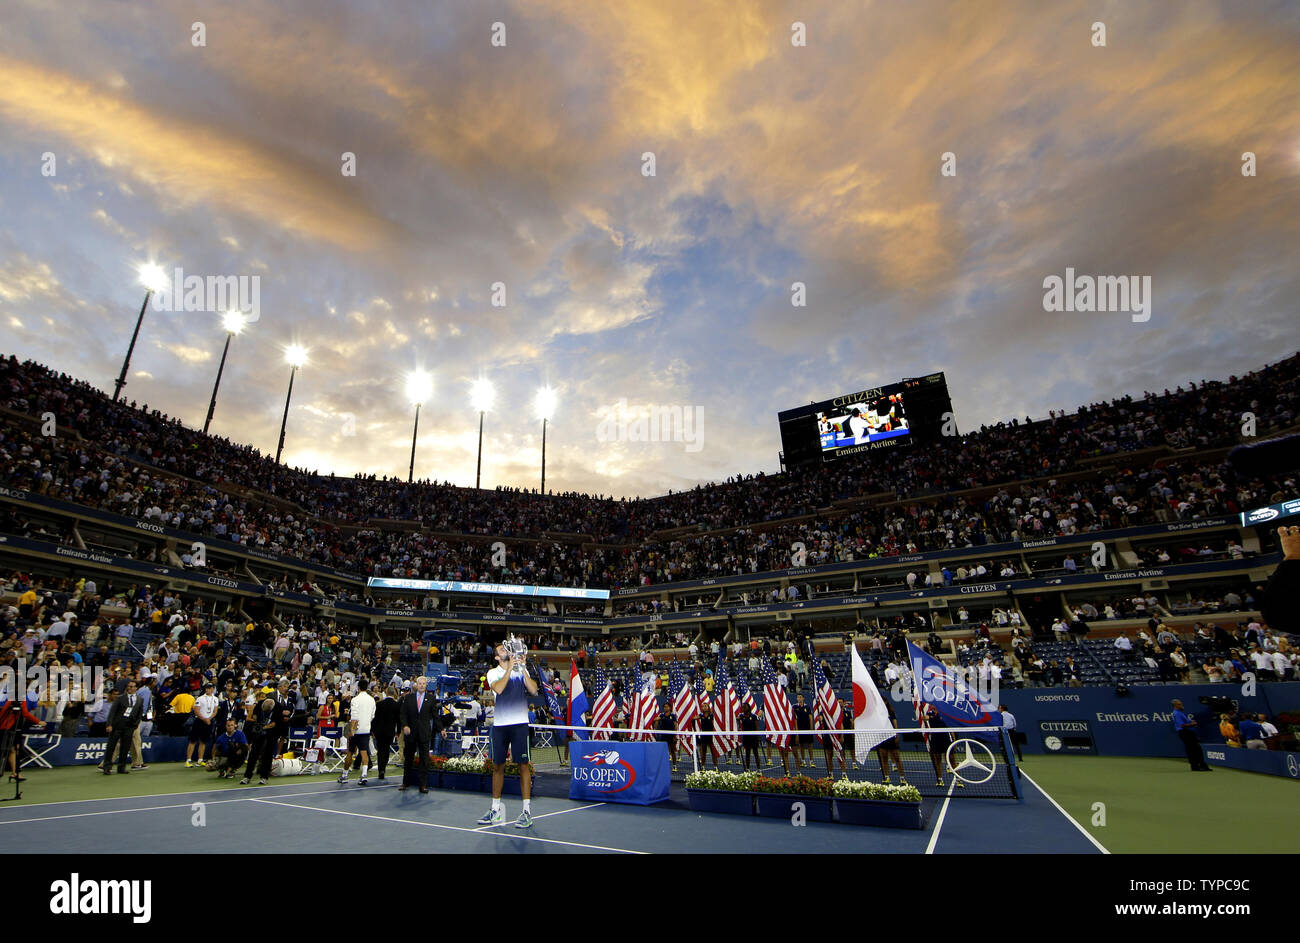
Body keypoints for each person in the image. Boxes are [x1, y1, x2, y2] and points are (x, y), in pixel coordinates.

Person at [477, 642, 538, 828]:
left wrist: (523, 668)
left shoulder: (520, 669)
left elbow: (534, 690)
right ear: (497, 657)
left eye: (506, 649)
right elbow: (499, 689)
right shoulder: (493, 673)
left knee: (523, 766)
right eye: (501, 650)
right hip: (501, 725)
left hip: (519, 724)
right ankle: (495, 810)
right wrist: (510, 668)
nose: (506, 651)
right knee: (497, 767)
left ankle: (526, 812)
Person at [399, 676, 438, 793]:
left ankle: (423, 785)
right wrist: (405, 726)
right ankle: (405, 782)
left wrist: (441, 729)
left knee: (424, 760)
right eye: (419, 683)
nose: (421, 685)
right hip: (411, 733)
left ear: (426, 685)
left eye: (423, 684)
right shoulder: (409, 698)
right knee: (408, 759)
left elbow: (435, 716)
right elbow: (403, 714)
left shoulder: (431, 698)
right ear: (416, 685)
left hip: (424, 734)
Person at [102, 679, 144, 775]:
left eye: (132, 686)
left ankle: (122, 767)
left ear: (136, 688)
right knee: (111, 747)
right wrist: (109, 724)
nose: (130, 688)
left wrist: (135, 725)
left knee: (125, 748)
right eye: (129, 686)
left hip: (129, 726)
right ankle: (107, 767)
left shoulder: (140, 699)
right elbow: (112, 712)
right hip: (117, 725)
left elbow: (139, 713)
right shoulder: (120, 698)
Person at [339, 677, 376, 785]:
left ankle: (344, 775)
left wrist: (351, 731)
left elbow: (354, 717)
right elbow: (372, 716)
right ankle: (364, 775)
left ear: (358, 688)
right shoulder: (372, 700)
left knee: (350, 752)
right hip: (366, 729)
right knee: (364, 752)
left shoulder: (355, 700)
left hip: (356, 730)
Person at [1171, 699, 1210, 771]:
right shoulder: (1177, 714)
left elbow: (1185, 723)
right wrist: (1192, 724)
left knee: (1195, 749)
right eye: (1180, 704)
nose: (1182, 705)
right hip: (1185, 733)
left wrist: (1191, 722)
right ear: (1175, 706)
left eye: (1181, 704)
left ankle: (1200, 765)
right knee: (1192, 749)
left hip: (1187, 733)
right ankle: (1196, 766)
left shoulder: (1180, 713)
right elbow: (1182, 725)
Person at [372, 685, 400, 782]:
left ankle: (381, 769)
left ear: (387, 693)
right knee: (387, 750)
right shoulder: (397, 705)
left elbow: (375, 719)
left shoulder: (379, 704)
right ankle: (383, 768)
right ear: (394, 694)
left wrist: (373, 730)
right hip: (390, 732)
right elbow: (398, 720)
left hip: (379, 731)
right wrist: (399, 732)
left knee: (380, 750)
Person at [186, 683, 218, 768]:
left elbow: (215, 711)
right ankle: (188, 760)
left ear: (213, 689)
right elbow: (196, 711)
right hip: (199, 721)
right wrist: (204, 719)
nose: (207, 690)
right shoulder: (200, 698)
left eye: (209, 688)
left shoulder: (215, 699)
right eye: (206, 688)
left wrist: (209, 718)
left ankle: (200, 760)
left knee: (204, 741)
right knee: (193, 740)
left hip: (209, 721)